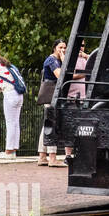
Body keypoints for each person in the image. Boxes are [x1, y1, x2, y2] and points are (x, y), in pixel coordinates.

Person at [38, 39, 66, 167]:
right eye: (60, 47)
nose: (63, 49)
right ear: (54, 47)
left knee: (47, 125)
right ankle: (52, 157)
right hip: (51, 95)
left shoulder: (58, 60)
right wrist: (63, 58)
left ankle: (42, 156)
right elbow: (59, 74)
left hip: (54, 95)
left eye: (65, 47)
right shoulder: (52, 60)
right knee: (52, 124)